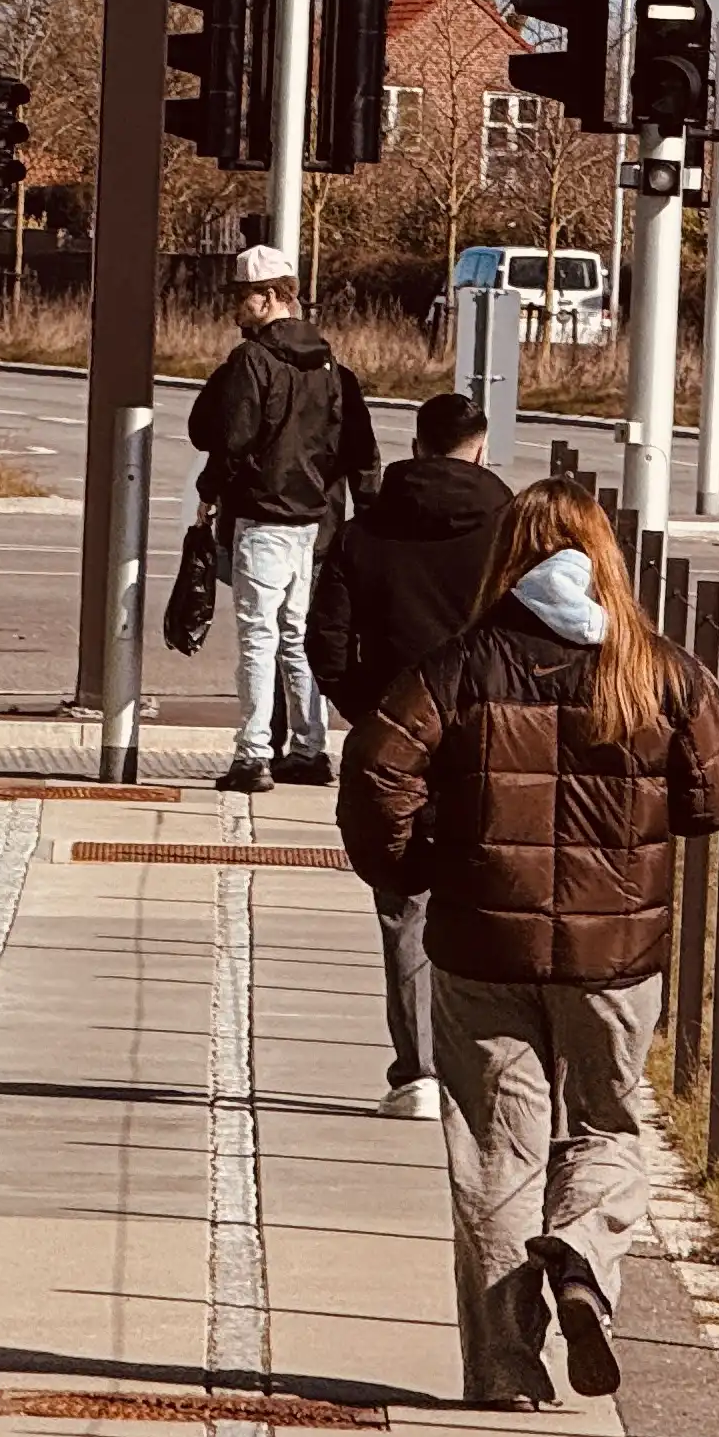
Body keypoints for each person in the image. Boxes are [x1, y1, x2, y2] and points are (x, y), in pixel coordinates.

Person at [335, 479, 719, 1411]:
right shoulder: (659, 672)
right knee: (608, 1124)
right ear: (607, 558)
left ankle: (506, 1371)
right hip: (615, 956)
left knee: (495, 1153)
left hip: (482, 945)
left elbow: (376, 768)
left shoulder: (460, 666)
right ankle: (582, 1254)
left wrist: (411, 866)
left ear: (507, 558)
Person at [310, 390, 515, 1121]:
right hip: (493, 737)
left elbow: (327, 642)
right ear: (480, 448)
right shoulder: (512, 533)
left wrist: (372, 713)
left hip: (397, 740)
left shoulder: (365, 533)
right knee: (494, 895)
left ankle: (420, 1071)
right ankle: (489, 1064)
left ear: (418, 446)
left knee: (404, 902)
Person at [186, 242, 377, 795]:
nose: (235, 308)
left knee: (258, 637)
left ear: (271, 297)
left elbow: (231, 439)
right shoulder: (330, 363)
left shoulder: (252, 360)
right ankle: (310, 748)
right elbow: (353, 448)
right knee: (297, 636)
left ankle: (252, 755)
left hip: (262, 516)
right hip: (313, 522)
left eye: (243, 297)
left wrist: (209, 491)